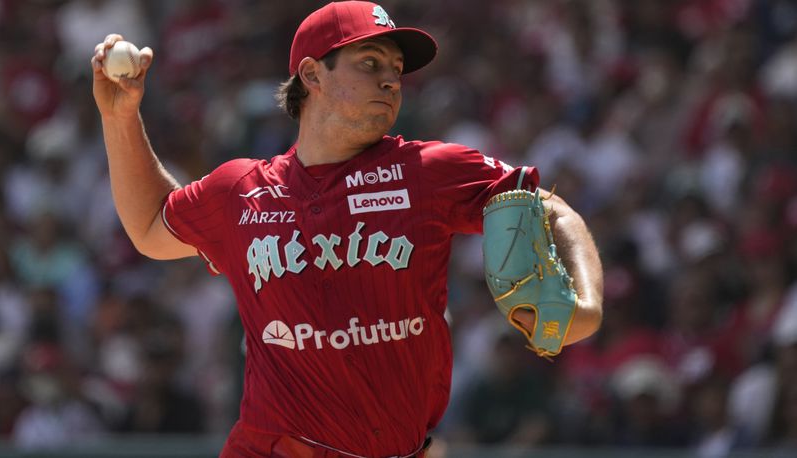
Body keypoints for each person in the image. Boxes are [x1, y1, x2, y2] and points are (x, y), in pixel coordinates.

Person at [91, 2, 603, 457]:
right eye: (370, 64)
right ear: (311, 75)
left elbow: (547, 207)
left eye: (397, 70)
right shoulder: (241, 191)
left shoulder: (427, 172)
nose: (391, 80)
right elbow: (152, 225)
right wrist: (120, 119)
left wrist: (587, 301)